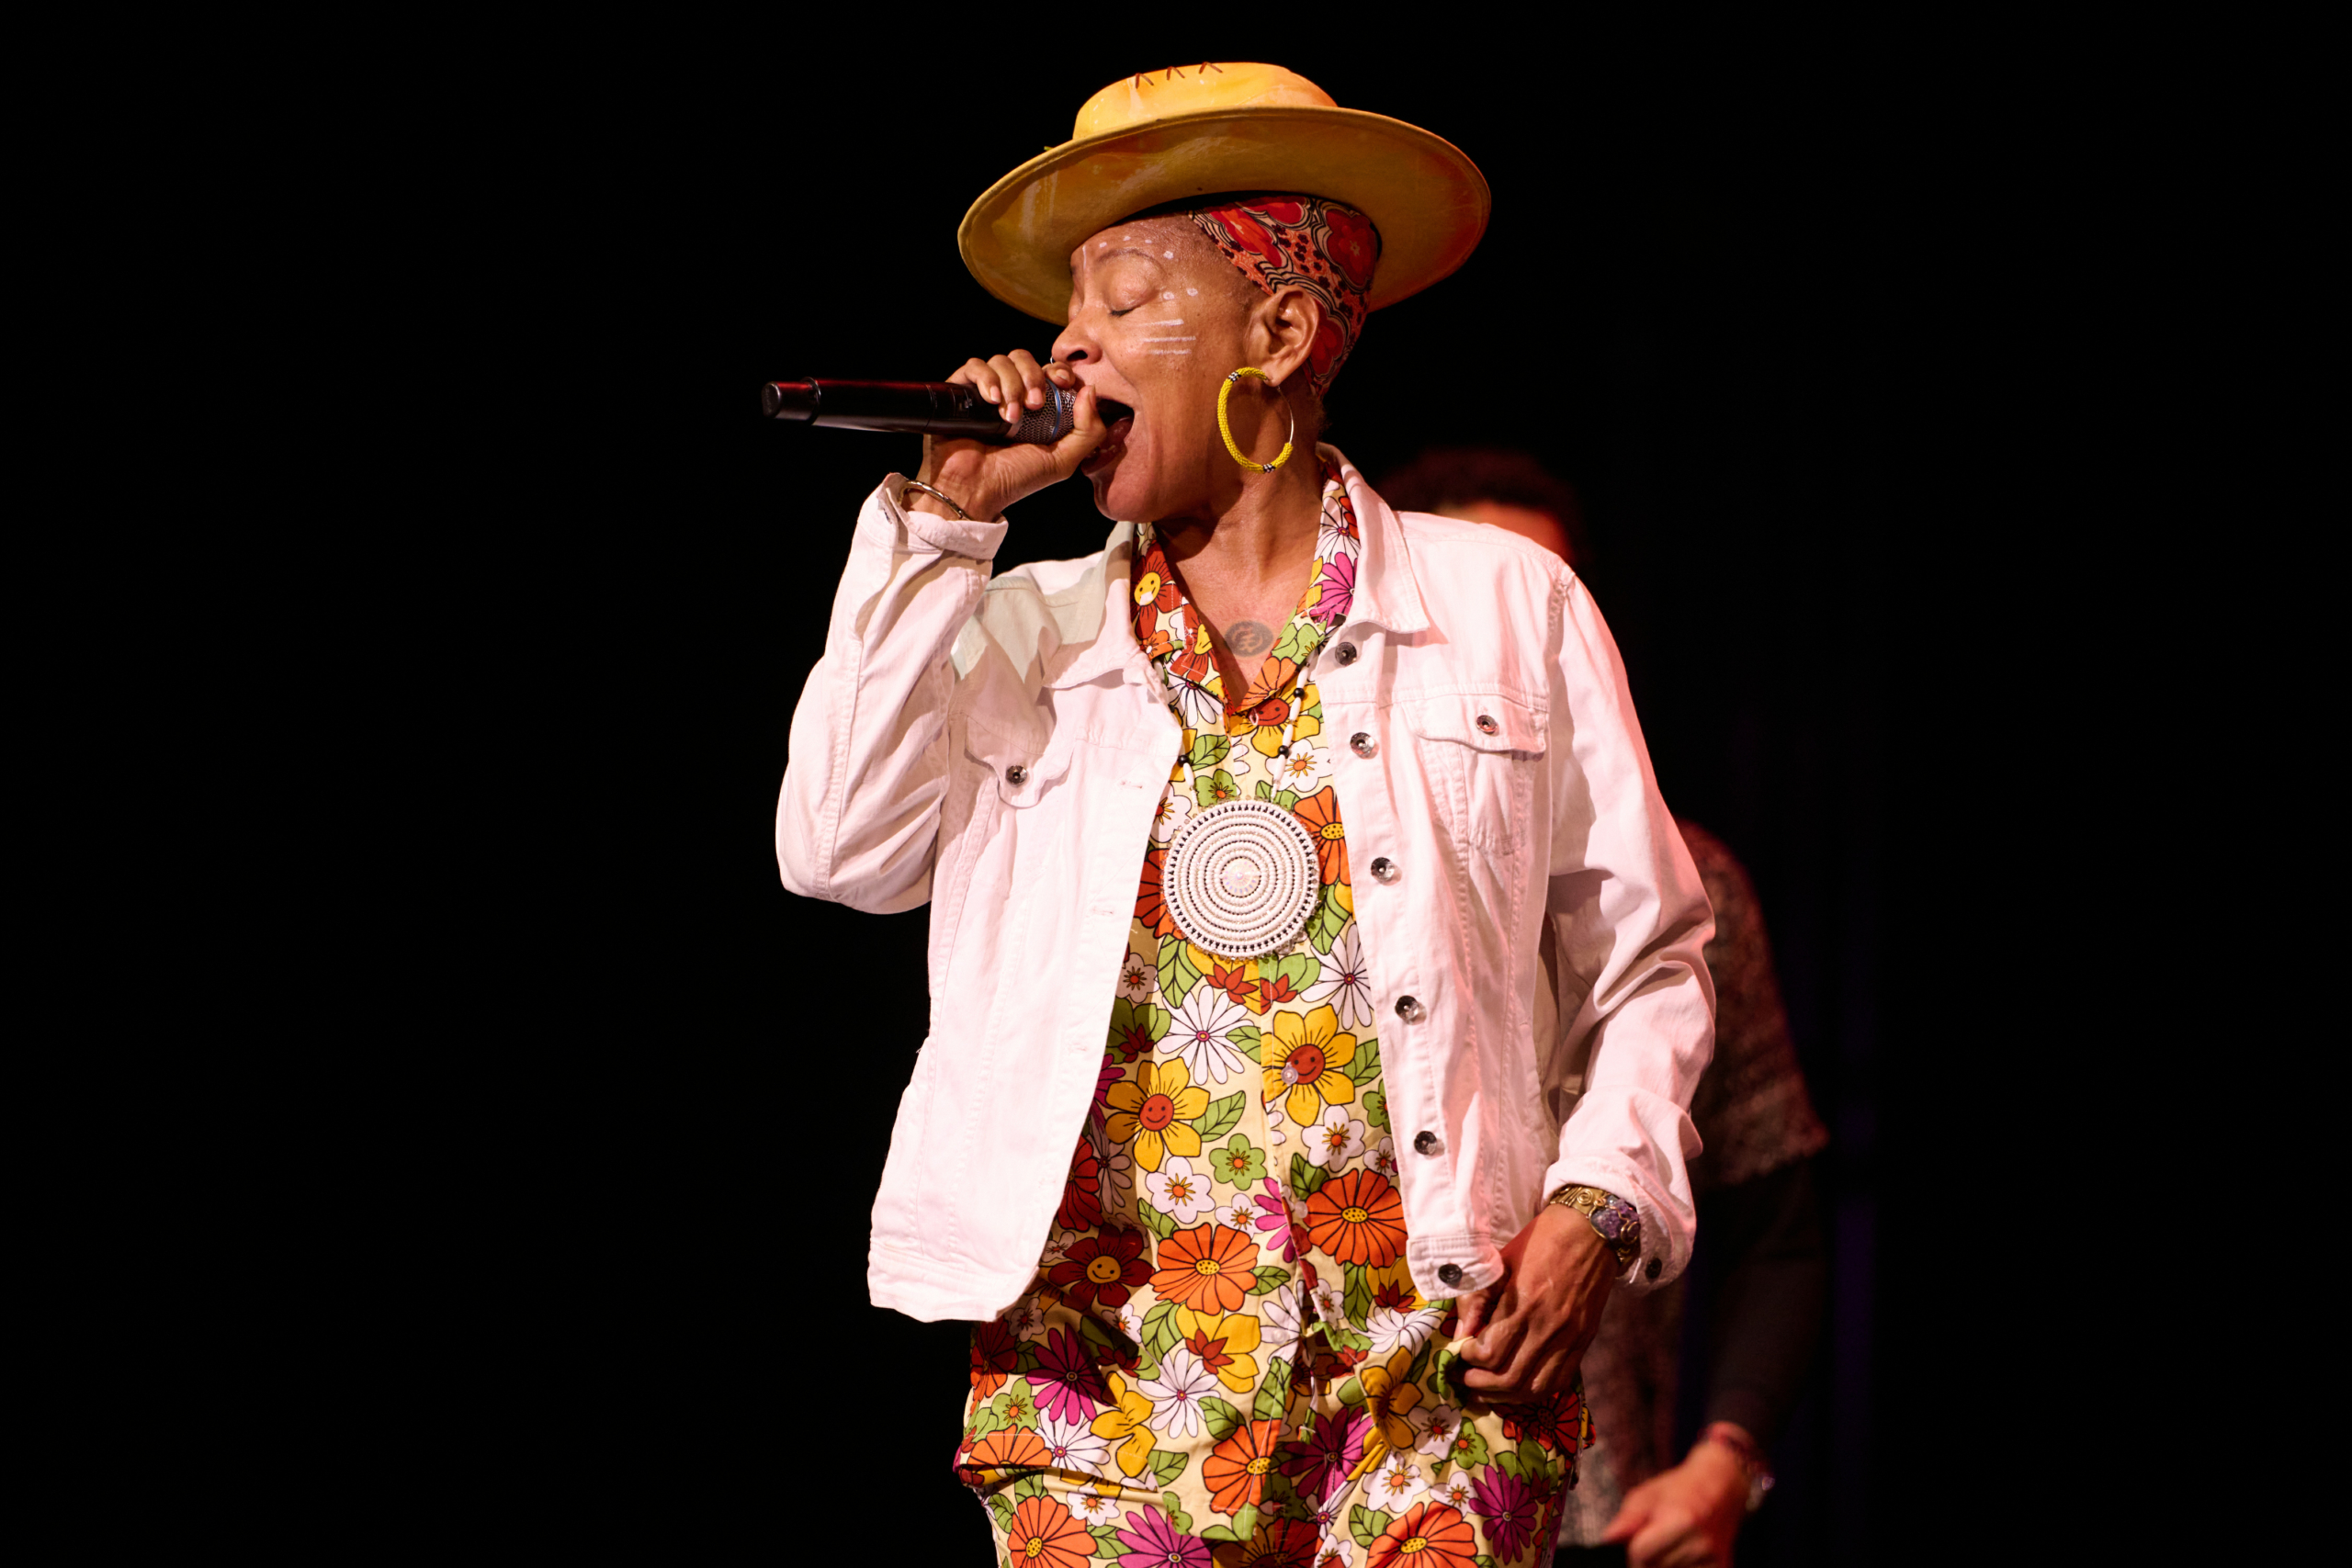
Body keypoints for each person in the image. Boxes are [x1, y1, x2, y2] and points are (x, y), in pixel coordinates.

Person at [776, 63, 1717, 1568]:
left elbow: (1653, 960)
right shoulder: (1024, 626)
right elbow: (834, 852)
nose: (1067, 347)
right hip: (1099, 1392)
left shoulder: (1502, 609)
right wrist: (945, 519)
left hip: (1430, 1389)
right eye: (1070, 309)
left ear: (1277, 335)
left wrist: (1592, 1211)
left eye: (1128, 300)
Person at [1378, 449, 1831, 1568]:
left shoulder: (1693, 887)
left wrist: (1725, 1459)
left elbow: (1778, 1222)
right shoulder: (1334, 867)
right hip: (1350, 1475)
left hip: (1588, 1504)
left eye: (1551, 591)